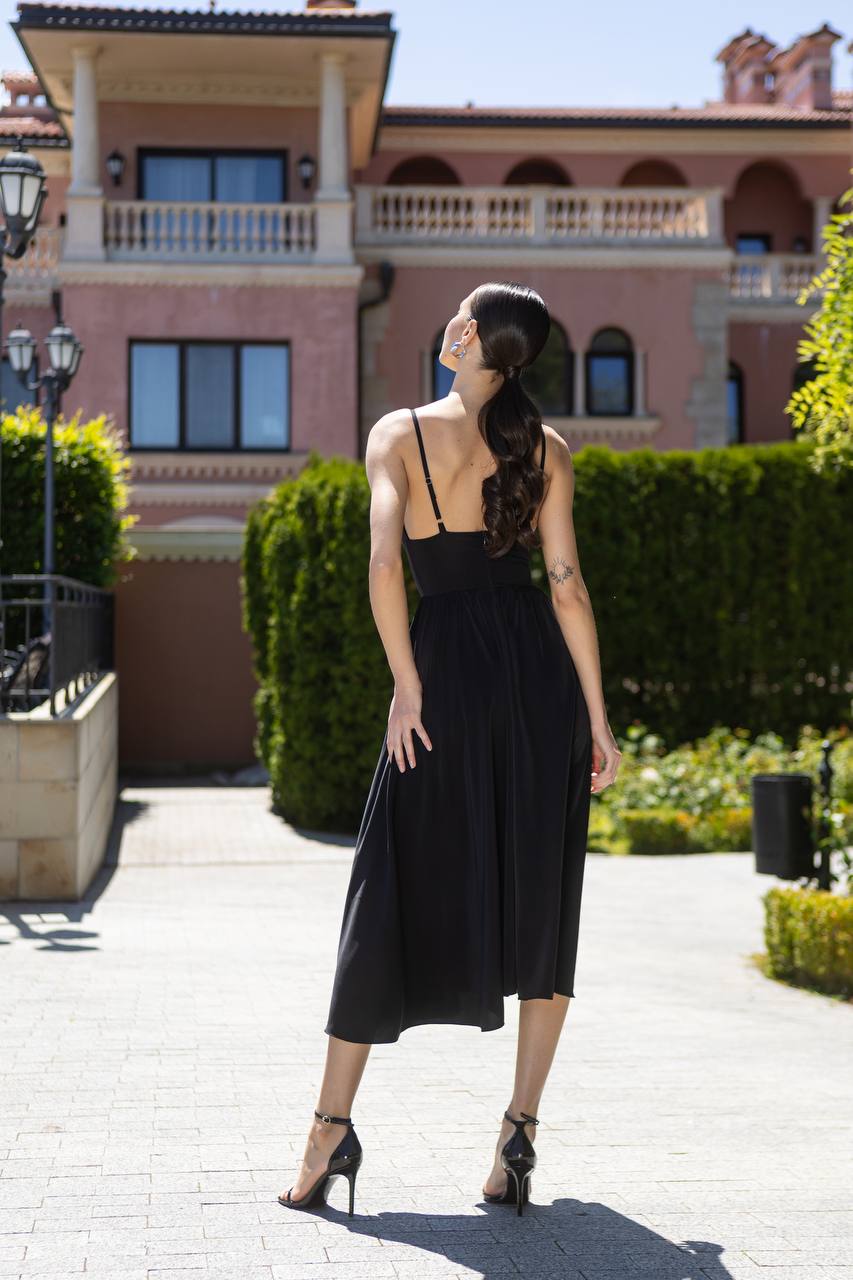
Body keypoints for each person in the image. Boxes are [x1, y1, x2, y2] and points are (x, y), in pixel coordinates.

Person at [278, 280, 621, 1217]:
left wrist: (407, 684)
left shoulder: (397, 433)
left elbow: (386, 566)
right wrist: (594, 718)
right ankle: (517, 1139)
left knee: (381, 889)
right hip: (539, 691)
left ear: (467, 336)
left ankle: (328, 1133)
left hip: (444, 685)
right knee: (543, 904)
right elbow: (566, 588)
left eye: (458, 318)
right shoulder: (544, 449)